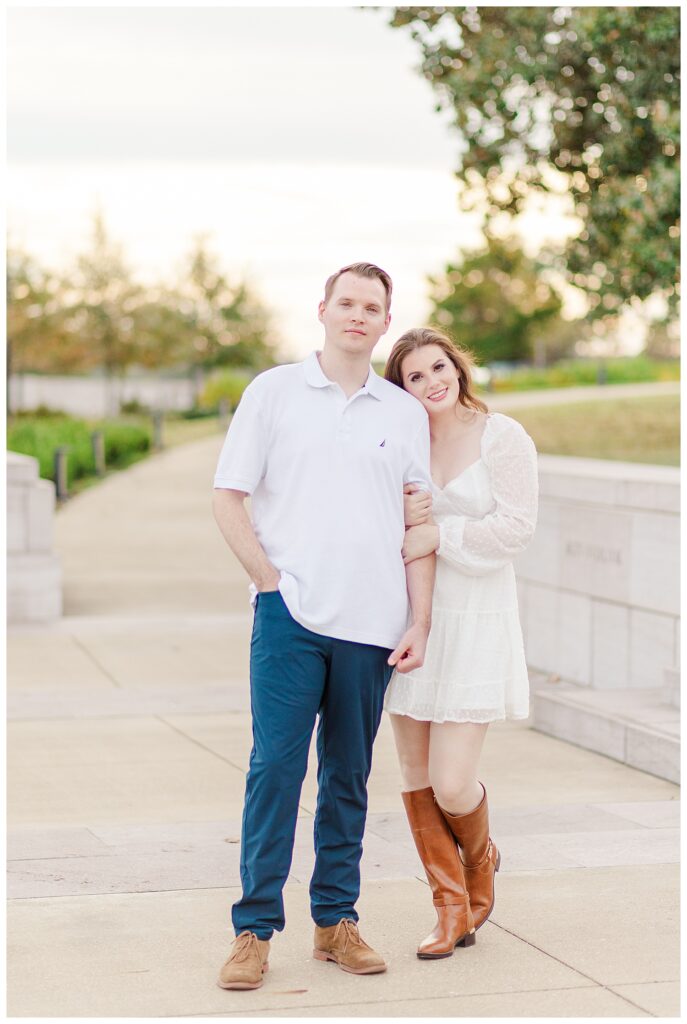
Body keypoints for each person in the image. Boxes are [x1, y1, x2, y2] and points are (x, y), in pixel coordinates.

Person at [212, 263, 435, 990]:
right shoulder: (274, 391)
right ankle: (252, 930)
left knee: (348, 778)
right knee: (274, 769)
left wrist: (419, 619)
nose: (359, 316)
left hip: (372, 623)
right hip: (290, 618)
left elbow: (417, 524)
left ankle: (335, 921)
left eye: (373, 307)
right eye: (348, 302)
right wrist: (270, 585)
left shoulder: (400, 412)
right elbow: (228, 497)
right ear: (323, 309)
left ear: (383, 320)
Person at [382, 326, 538, 961]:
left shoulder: (502, 436)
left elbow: (516, 529)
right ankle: (452, 910)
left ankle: (483, 855)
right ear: (400, 389)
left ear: (458, 366)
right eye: (414, 377)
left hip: (475, 622)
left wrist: (439, 536)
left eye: (438, 367)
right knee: (417, 781)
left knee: (452, 784)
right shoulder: (402, 442)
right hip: (411, 622)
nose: (431, 383)